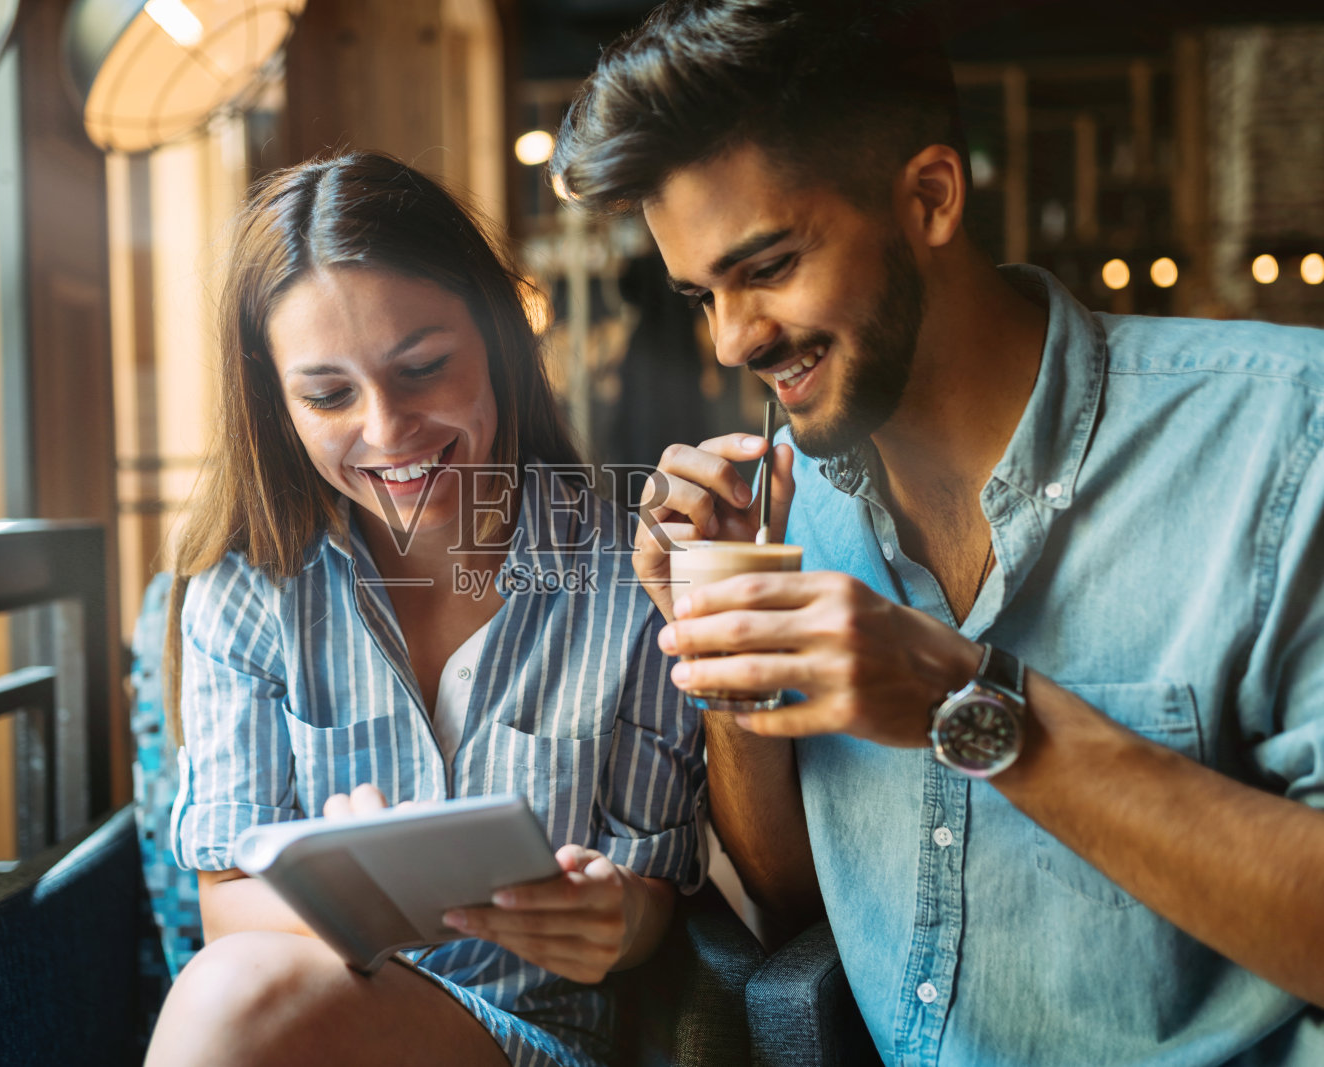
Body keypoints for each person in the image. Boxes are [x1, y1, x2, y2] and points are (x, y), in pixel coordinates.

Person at [550, 1, 1324, 1063]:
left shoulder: (1284, 435)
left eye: (768, 266)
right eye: (702, 295)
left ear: (929, 197)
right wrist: (724, 660)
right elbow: (793, 910)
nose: (733, 339)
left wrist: (970, 703)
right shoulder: (786, 510)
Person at [142, 151, 707, 1067]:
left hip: (537, 1039)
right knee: (239, 985)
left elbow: (652, 901)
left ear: (497, 336)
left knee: (236, 996)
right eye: (329, 394)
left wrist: (612, 916)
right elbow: (224, 906)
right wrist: (366, 893)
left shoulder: (626, 574)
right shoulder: (248, 588)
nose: (388, 429)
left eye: (423, 367)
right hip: (312, 1023)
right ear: (276, 404)